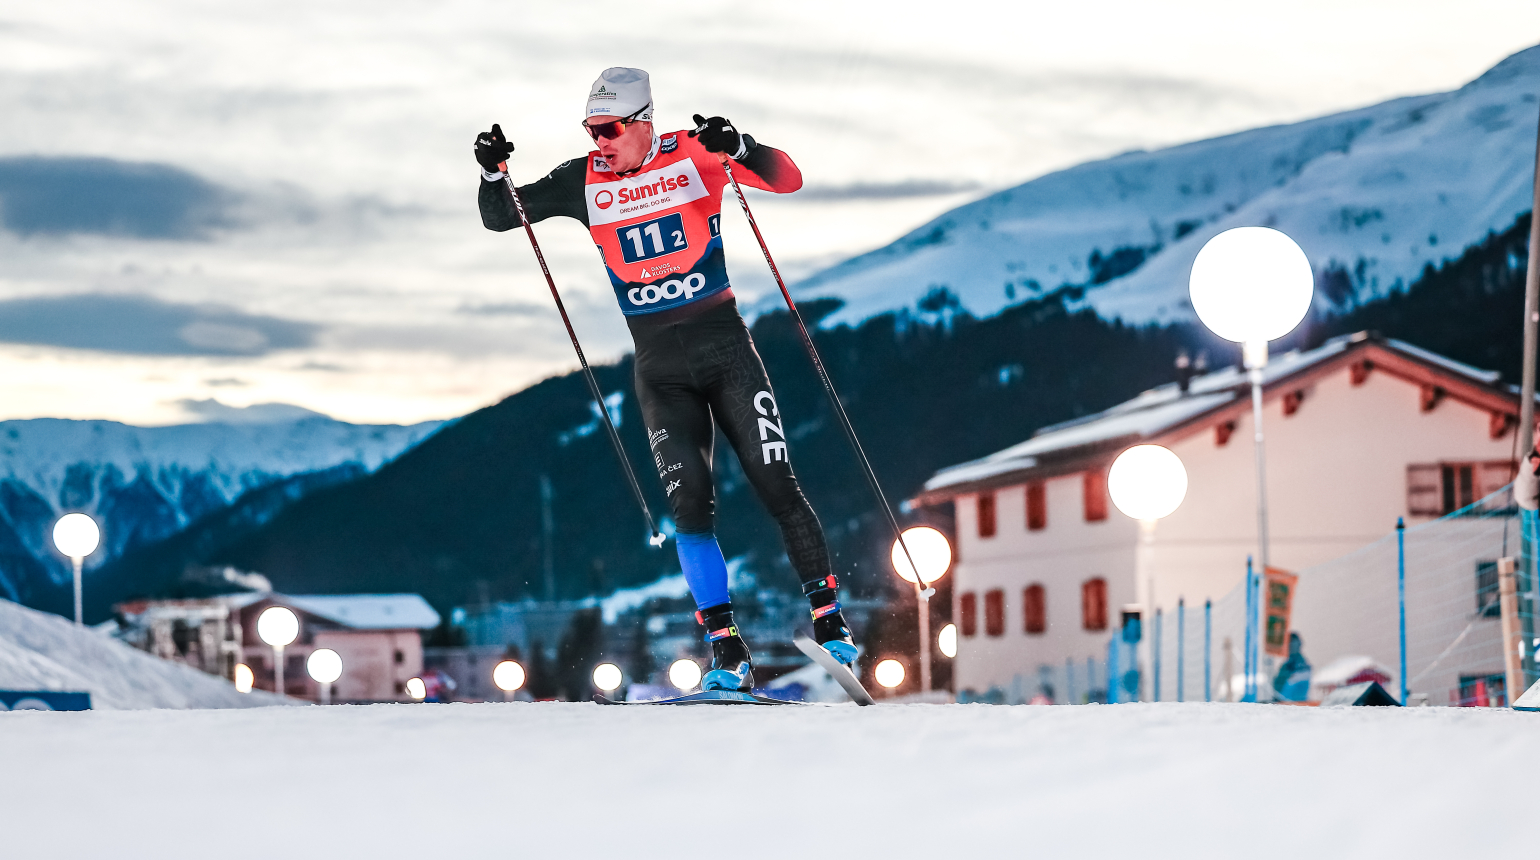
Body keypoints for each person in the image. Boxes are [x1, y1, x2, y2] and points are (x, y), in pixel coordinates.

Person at [474, 67, 856, 692]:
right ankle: (727, 654)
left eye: (611, 129)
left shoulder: (696, 151)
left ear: (645, 121)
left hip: (725, 348)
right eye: (591, 129)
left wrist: (741, 149)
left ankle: (832, 626)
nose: (600, 140)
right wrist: (493, 172)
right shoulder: (583, 179)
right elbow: (501, 217)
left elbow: (787, 178)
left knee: (774, 482)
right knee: (690, 509)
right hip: (658, 367)